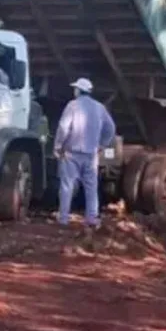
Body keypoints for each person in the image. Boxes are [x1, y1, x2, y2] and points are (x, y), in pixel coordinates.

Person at [53, 77, 116, 227]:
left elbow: (63, 128)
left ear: (78, 91)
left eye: (75, 88)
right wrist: (103, 144)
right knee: (91, 188)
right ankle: (92, 219)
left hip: (71, 153)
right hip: (91, 155)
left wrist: (58, 146)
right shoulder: (100, 108)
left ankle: (63, 219)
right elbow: (111, 128)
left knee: (67, 186)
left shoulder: (72, 106)